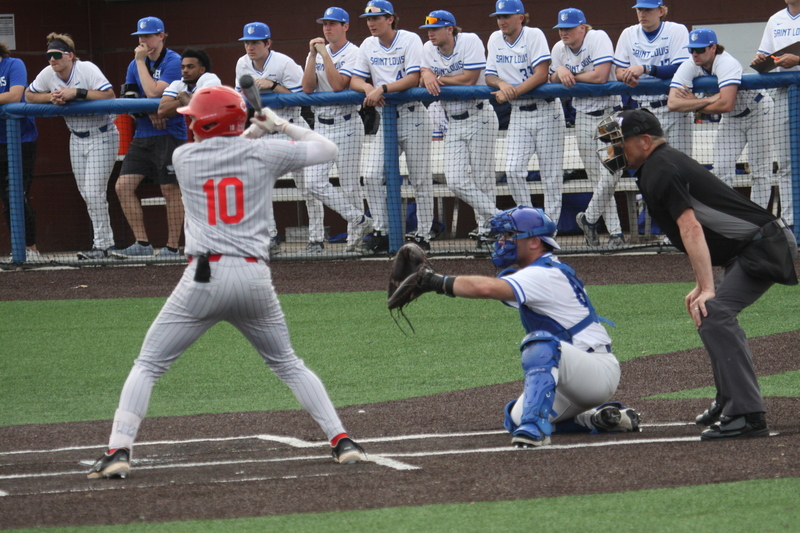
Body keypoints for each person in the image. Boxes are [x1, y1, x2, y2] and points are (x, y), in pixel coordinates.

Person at [86, 86, 365, 479]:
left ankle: (118, 449)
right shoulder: (265, 153)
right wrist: (277, 125)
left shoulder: (185, 157)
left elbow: (225, 147)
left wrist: (256, 130)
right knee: (288, 364)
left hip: (203, 277)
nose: (190, 123)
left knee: (148, 364)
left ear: (204, 123)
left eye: (194, 118)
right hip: (254, 277)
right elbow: (326, 150)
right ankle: (342, 440)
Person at [595, 108, 797, 440]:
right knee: (707, 310)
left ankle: (748, 413)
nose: (612, 151)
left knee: (714, 311)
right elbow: (695, 231)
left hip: (764, 247)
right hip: (751, 247)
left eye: (618, 143)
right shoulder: (656, 166)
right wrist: (701, 286)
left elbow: (691, 228)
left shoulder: (662, 169)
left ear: (645, 141)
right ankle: (729, 398)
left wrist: (706, 286)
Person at [400, 206, 640, 447]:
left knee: (540, 343)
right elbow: (495, 286)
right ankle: (597, 419)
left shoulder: (543, 274)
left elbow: (486, 288)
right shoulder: (538, 271)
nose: (502, 241)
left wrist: (435, 281)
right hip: (570, 377)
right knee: (515, 418)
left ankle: (535, 430)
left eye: (510, 236)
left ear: (535, 242)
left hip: (594, 372)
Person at [350, 0, 435, 253]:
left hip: (412, 116)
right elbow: (355, 79)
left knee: (420, 180)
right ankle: (383, 231)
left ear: (390, 19)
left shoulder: (409, 39)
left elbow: (413, 78)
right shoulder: (367, 44)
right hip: (386, 120)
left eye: (377, 18)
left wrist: (383, 88)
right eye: (368, 19)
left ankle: (423, 235)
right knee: (373, 176)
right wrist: (368, 88)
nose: (371, 23)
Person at [26, 33, 118, 261]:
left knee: (94, 192)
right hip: (76, 137)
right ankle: (102, 245)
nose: (52, 60)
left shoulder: (86, 69)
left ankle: (103, 246)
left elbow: (109, 94)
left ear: (70, 56)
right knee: (87, 193)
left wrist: (76, 93)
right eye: (49, 56)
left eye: (56, 55)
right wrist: (51, 97)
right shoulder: (49, 74)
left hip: (102, 133)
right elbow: (29, 95)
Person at [419, 9, 500, 249]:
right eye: (428, 29)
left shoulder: (470, 41)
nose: (430, 33)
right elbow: (423, 76)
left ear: (450, 29)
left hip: (479, 116)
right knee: (455, 180)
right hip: (453, 120)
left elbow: (469, 79)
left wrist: (437, 78)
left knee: (484, 178)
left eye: (435, 29)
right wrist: (426, 73)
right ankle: (500, 218)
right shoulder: (428, 49)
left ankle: (487, 231)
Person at [668, 29, 774, 209]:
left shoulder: (726, 62)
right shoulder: (690, 64)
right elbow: (672, 102)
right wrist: (706, 100)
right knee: (721, 170)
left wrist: (694, 103)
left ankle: (762, 223)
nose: (694, 54)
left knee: (760, 172)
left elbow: (726, 104)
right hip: (731, 119)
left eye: (700, 49)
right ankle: (729, 218)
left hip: (758, 111)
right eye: (691, 49)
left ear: (713, 48)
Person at [484, 0, 566, 229]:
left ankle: (550, 230)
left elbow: (541, 74)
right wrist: (501, 83)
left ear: (520, 17)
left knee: (551, 177)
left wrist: (513, 92)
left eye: (507, 16)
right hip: (519, 113)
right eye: (499, 17)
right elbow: (489, 76)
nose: (501, 21)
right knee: (512, 170)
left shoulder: (534, 35)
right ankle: (530, 223)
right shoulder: (494, 38)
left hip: (546, 110)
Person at [548, 8, 625, 248]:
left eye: (569, 28)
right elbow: (550, 78)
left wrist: (570, 74)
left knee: (612, 173)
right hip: (582, 117)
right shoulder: (558, 49)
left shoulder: (597, 38)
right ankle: (616, 234)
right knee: (596, 178)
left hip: (610, 116)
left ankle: (589, 219)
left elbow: (601, 76)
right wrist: (559, 71)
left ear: (582, 27)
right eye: (561, 28)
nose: (563, 32)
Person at [301, 7, 374, 254]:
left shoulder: (354, 52)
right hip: (321, 125)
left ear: (345, 26)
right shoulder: (316, 54)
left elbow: (337, 85)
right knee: (312, 182)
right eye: (325, 24)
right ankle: (361, 220)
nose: (327, 28)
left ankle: (355, 241)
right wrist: (312, 57)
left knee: (350, 185)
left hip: (347, 123)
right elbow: (308, 89)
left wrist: (324, 54)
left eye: (333, 24)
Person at [113, 17, 187, 260]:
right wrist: (148, 110)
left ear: (162, 36)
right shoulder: (135, 63)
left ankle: (172, 247)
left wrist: (140, 62)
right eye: (141, 37)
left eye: (149, 36)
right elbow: (130, 96)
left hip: (170, 133)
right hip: (143, 133)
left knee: (169, 189)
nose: (144, 41)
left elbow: (156, 91)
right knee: (123, 186)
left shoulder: (173, 60)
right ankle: (142, 243)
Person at [234, 22, 306, 255]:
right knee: (259, 186)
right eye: (246, 42)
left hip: (290, 128)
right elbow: (239, 98)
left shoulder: (284, 63)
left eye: (255, 42)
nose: (249, 46)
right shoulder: (242, 63)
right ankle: (270, 238)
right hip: (264, 132)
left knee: (307, 187)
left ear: (268, 43)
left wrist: (274, 86)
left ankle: (316, 238)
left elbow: (303, 97)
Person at [613, 0, 692, 156]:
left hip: (673, 107)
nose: (642, 14)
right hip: (643, 109)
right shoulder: (628, 33)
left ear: (661, 11)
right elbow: (619, 71)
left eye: (648, 10)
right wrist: (626, 75)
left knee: (680, 164)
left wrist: (645, 69)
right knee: (648, 164)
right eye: (639, 9)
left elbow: (680, 68)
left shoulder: (677, 30)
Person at [752, 0, 800, 230]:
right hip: (783, 93)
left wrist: (798, 59)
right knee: (786, 162)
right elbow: (765, 54)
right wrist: (761, 60)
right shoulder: (775, 19)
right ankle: (790, 221)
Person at [0, 43, 39, 261]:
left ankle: (31, 248)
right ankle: (19, 250)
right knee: (7, 198)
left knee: (16, 195)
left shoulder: (14, 64)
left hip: (21, 140)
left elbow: (15, 95)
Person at [157, 49, 222, 130]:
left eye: (190, 67)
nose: (185, 71)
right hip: (200, 131)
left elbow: (199, 114)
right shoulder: (178, 84)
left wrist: (183, 96)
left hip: (219, 130)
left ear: (202, 70)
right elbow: (162, 111)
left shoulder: (211, 79)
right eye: (183, 67)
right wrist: (184, 98)